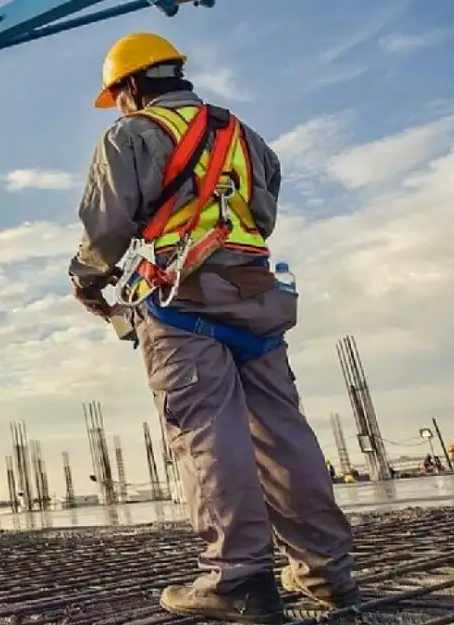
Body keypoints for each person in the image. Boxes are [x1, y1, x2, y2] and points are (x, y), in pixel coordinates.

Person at [69, 32, 358, 623]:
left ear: (130, 85)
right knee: (282, 434)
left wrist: (86, 279)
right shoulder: (245, 137)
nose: (118, 106)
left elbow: (107, 227)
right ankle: (326, 572)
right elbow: (264, 212)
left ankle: (239, 579)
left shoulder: (131, 134)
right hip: (256, 295)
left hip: (181, 302)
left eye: (117, 94)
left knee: (205, 433)